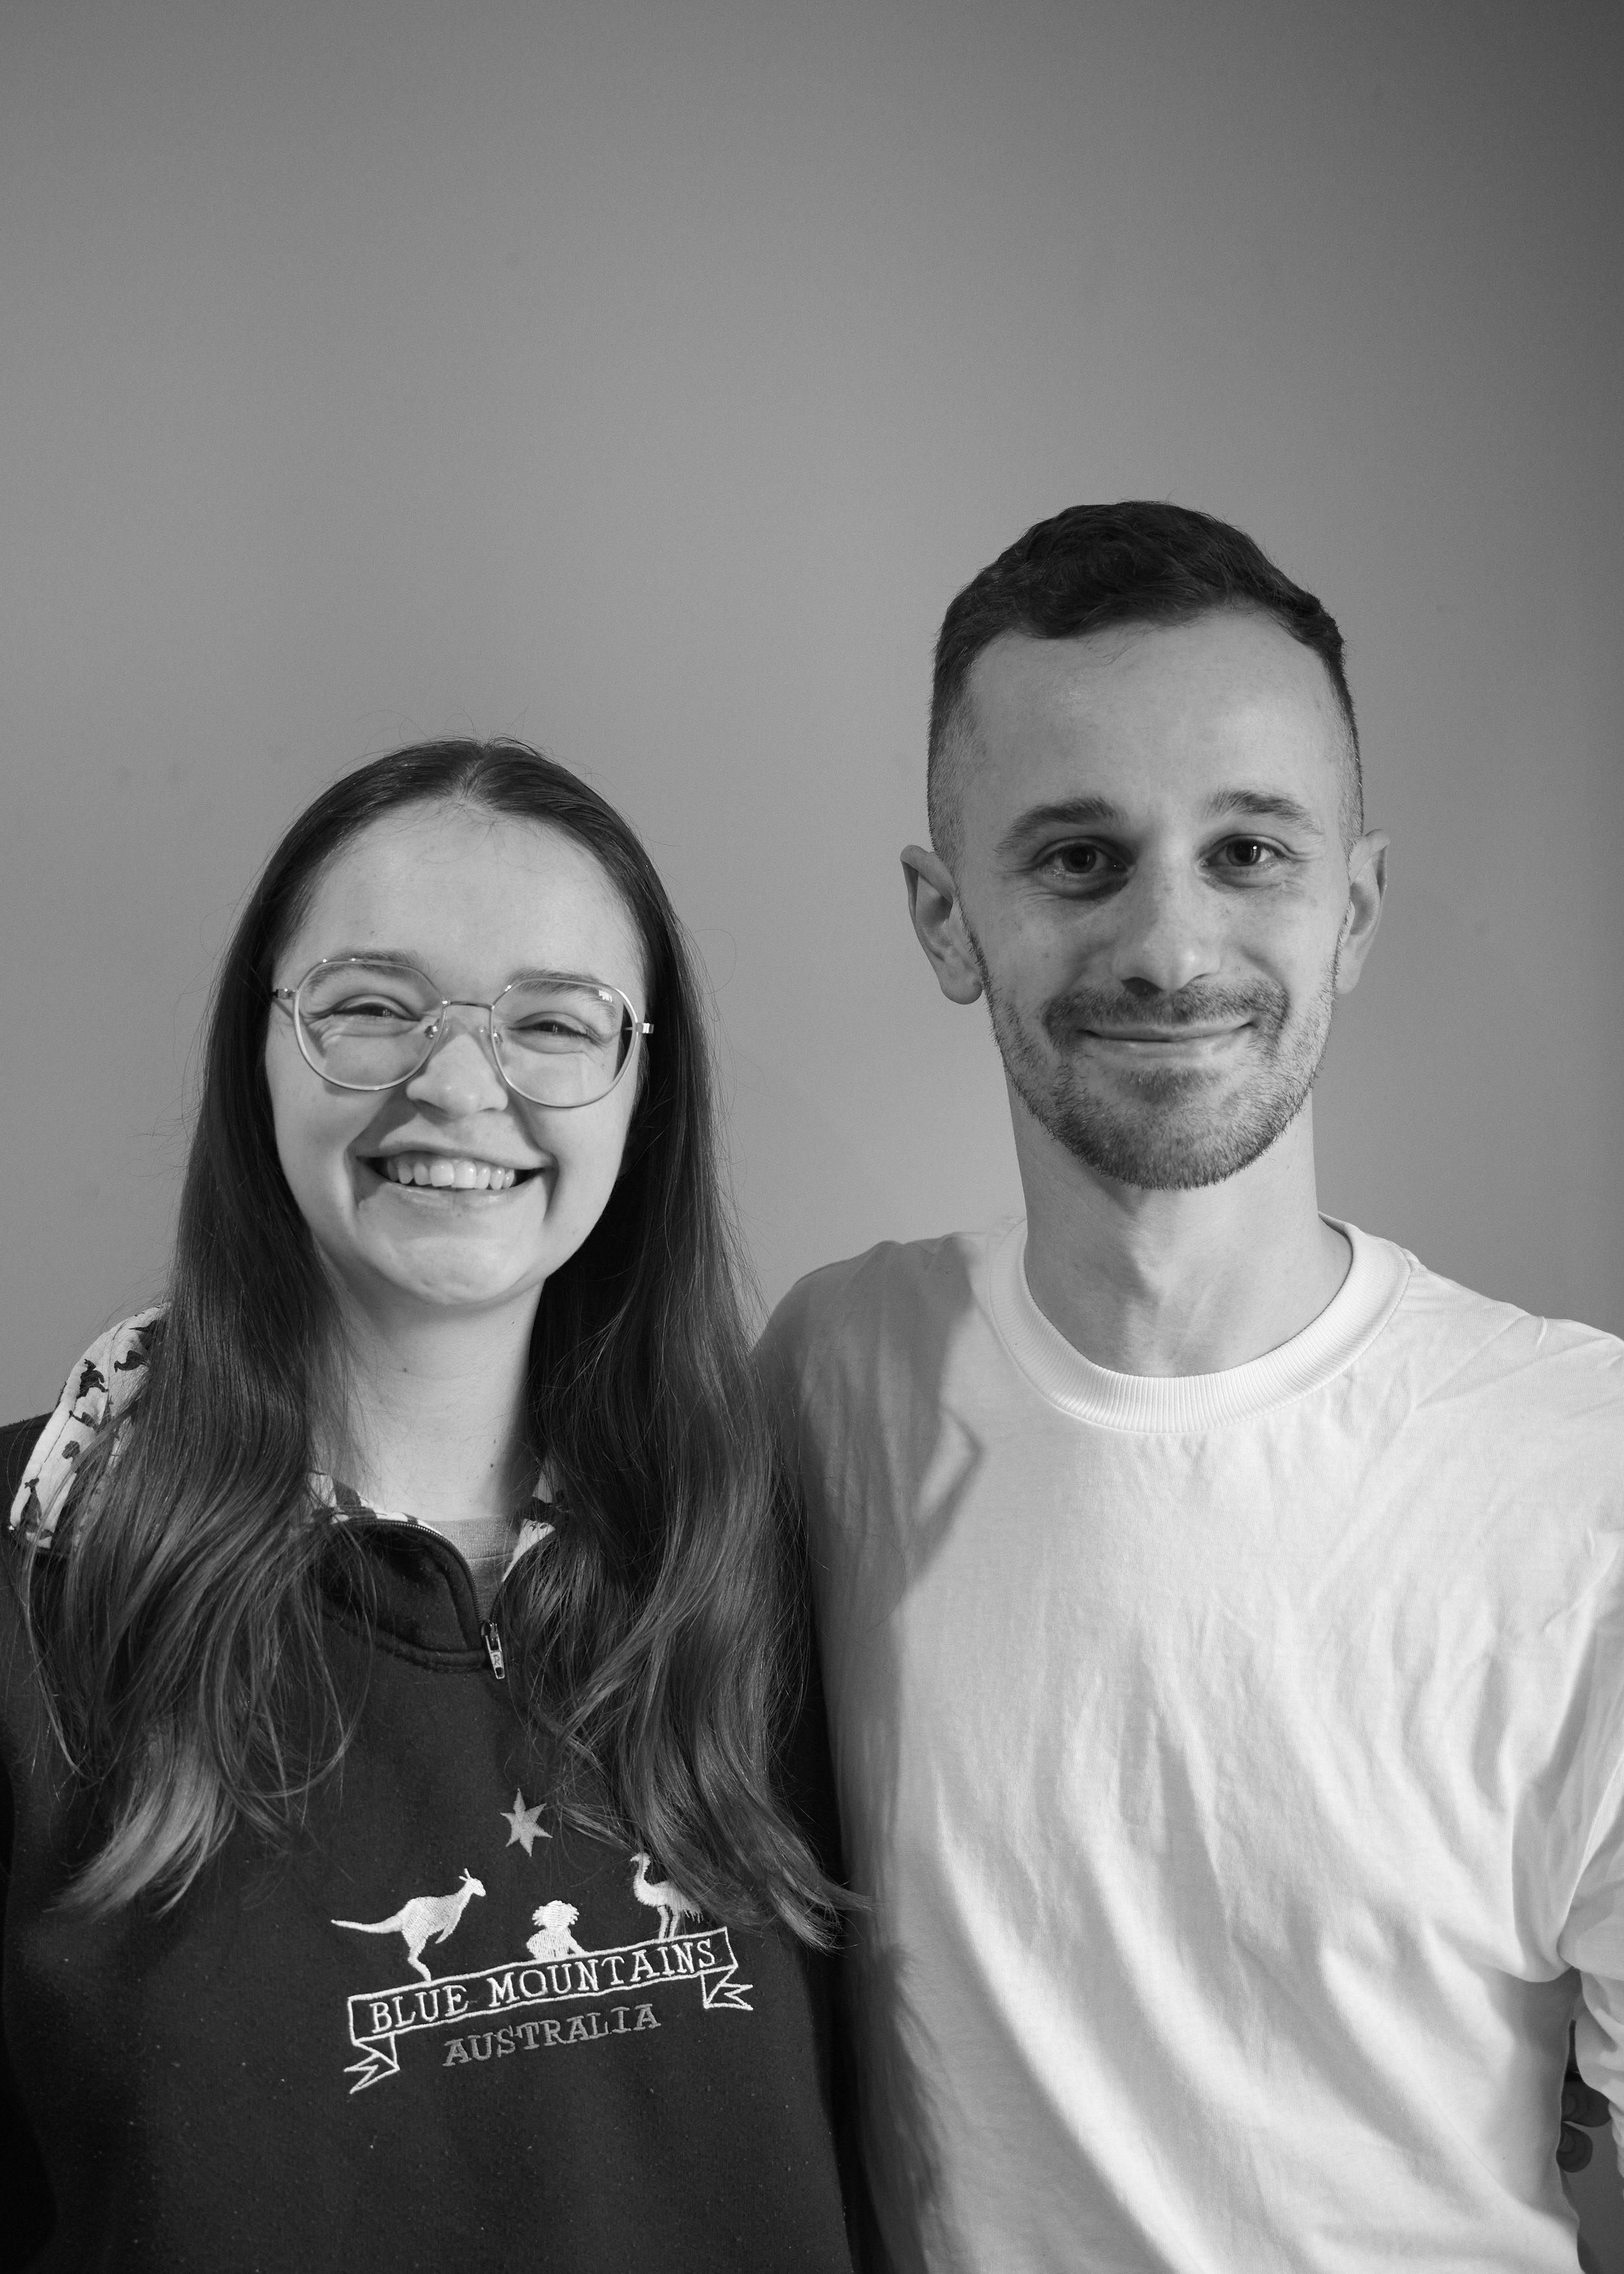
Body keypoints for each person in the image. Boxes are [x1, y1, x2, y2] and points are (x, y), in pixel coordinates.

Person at [761, 504, 1624, 2271]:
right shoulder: (833, 1375)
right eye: (1078, 858)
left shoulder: (1583, 1474)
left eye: (1248, 852)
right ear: (943, 917)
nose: (1169, 945)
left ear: (1350, 909)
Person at [0, 741, 855, 2273]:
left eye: (554, 1021)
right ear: (258, 1051)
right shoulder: (28, 1570)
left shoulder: (788, 1553)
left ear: (643, 1089)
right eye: (372, 1007)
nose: (460, 1085)